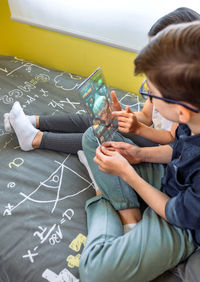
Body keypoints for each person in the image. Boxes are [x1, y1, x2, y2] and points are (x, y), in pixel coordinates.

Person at [79, 22, 200, 282]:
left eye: (151, 93)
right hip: (172, 182)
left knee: (95, 273)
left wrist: (128, 176)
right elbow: (177, 150)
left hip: (183, 222)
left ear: (181, 111)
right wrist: (138, 154)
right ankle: (130, 217)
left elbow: (174, 212)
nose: (149, 99)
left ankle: (105, 199)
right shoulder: (192, 124)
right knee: (93, 138)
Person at [4, 8, 200, 154]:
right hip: (148, 131)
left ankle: (36, 139)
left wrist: (137, 129)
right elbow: (147, 117)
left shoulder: (184, 99)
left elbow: (171, 140)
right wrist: (125, 116)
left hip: (160, 147)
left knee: (104, 129)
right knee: (105, 117)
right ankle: (34, 121)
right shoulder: (157, 85)